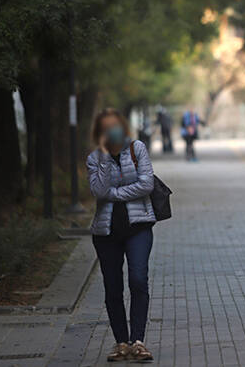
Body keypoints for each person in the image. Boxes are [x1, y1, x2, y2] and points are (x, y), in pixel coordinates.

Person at [86, 108, 155, 362]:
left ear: (122, 126)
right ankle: (121, 343)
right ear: (100, 132)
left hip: (139, 227)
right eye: (106, 127)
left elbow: (146, 184)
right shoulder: (94, 158)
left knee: (138, 279)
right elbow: (98, 190)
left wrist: (114, 195)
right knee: (112, 287)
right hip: (106, 232)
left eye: (115, 125)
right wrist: (105, 156)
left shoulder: (137, 149)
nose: (111, 130)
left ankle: (138, 341)